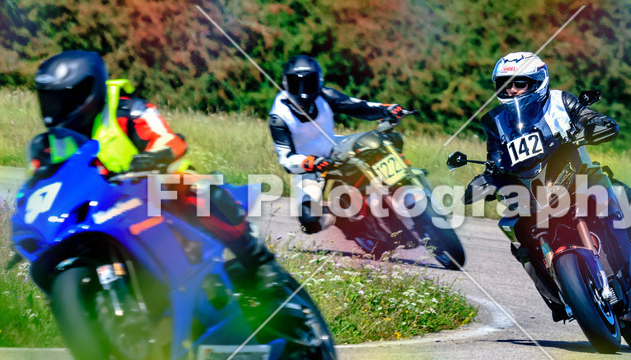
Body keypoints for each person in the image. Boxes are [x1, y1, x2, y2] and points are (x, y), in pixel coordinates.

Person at [29, 50, 287, 295]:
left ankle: (260, 263)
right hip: (107, 208)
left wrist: (154, 157)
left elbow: (170, 140)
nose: (55, 109)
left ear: (88, 91)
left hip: (157, 192)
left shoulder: (127, 110)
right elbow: (47, 180)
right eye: (49, 100)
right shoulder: (54, 141)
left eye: (63, 99)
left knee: (198, 188)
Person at [469, 52, 631, 316]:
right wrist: (486, 179)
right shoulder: (495, 121)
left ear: (538, 81)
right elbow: (493, 159)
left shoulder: (561, 100)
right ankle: (557, 296)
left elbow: (588, 116)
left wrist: (597, 124)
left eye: (520, 83)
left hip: (578, 175)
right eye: (506, 84)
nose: (512, 90)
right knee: (515, 231)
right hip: (531, 191)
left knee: (622, 193)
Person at [268, 54, 406, 233]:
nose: (303, 90)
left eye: (308, 83)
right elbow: (286, 158)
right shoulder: (278, 116)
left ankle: (397, 188)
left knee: (384, 140)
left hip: (334, 146)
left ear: (318, 82)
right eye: (297, 83)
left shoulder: (326, 95)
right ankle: (338, 218)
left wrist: (386, 109)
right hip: (307, 164)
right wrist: (308, 162)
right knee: (309, 223)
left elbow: (358, 105)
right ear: (286, 84)